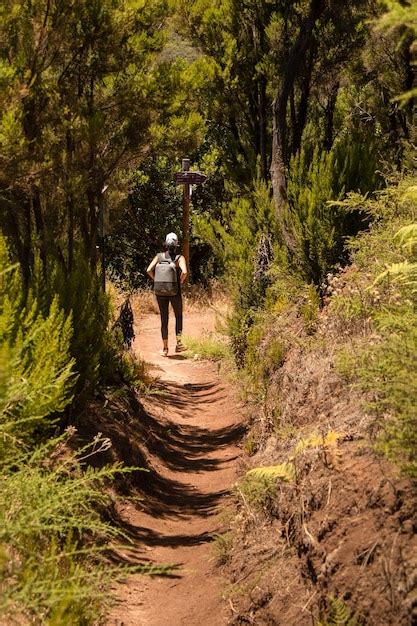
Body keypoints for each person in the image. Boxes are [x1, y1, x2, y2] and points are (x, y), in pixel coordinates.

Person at [147, 232, 188, 357]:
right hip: (174, 291)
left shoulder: (159, 256)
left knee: (164, 319)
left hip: (160, 291)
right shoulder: (179, 258)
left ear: (165, 244)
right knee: (178, 316)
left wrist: (156, 280)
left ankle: (165, 349)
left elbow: (149, 270)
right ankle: (179, 345)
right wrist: (179, 281)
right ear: (176, 245)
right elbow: (185, 272)